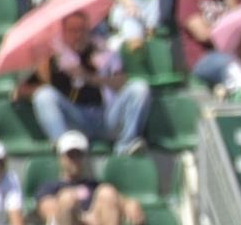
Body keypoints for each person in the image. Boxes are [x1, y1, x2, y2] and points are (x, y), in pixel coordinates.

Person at [33, 12, 152, 156]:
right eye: (73, 30)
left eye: (82, 30)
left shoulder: (101, 50)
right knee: (43, 95)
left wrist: (88, 77)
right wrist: (45, 63)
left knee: (139, 88)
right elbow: (28, 90)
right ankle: (64, 150)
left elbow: (121, 81)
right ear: (63, 32)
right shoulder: (53, 56)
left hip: (106, 115)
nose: (78, 35)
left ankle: (125, 146)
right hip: (75, 118)